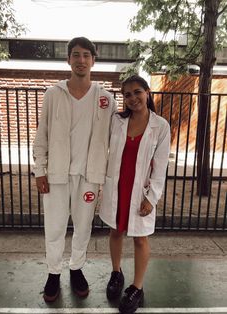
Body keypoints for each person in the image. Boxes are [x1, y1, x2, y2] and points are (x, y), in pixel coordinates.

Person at [33, 37, 117, 302]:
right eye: (76, 55)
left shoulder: (105, 98)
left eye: (86, 55)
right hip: (57, 174)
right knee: (55, 226)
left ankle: (76, 268)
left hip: (89, 176)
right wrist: (40, 170)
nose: (81, 60)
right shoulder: (53, 94)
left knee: (83, 226)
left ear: (94, 59)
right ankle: (53, 272)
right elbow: (41, 135)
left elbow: (116, 136)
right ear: (68, 59)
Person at [99, 75, 170, 313]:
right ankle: (116, 273)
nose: (132, 98)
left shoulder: (160, 126)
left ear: (148, 92)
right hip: (117, 187)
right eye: (127, 94)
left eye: (137, 92)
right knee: (116, 231)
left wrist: (151, 198)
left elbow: (160, 166)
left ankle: (137, 288)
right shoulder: (116, 121)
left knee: (140, 238)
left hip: (140, 190)